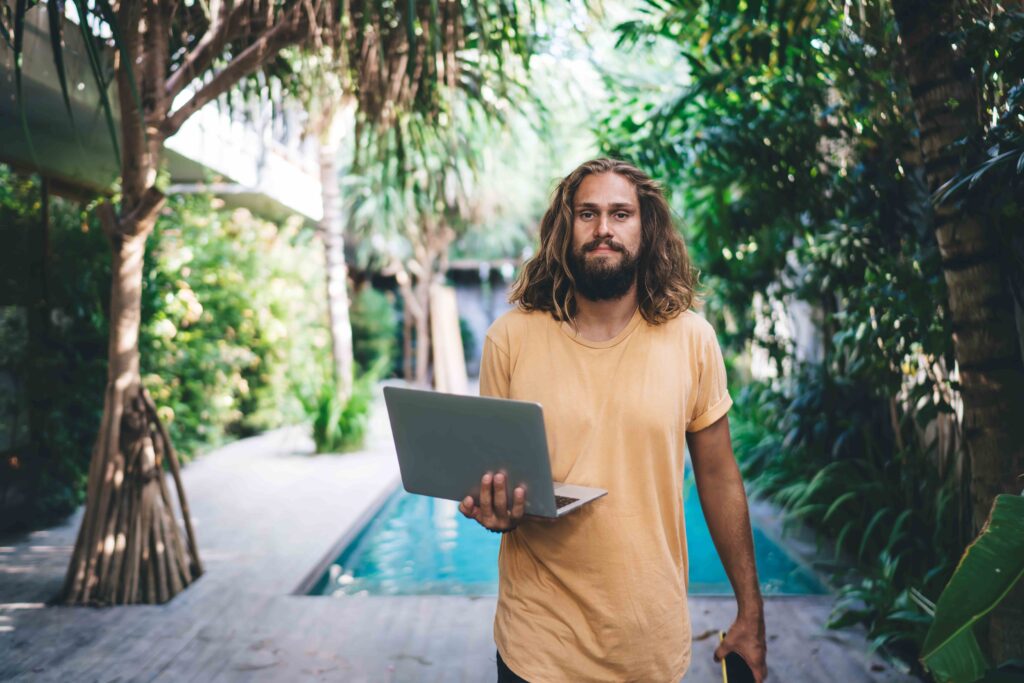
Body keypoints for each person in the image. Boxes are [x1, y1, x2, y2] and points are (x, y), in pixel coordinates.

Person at [457, 158, 769, 682]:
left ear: (646, 230)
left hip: (648, 647)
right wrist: (496, 507)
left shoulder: (692, 339)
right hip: (537, 649)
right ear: (565, 228)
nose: (604, 229)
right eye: (588, 214)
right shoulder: (509, 340)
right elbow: (500, 477)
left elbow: (717, 474)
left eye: (620, 214)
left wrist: (751, 611)